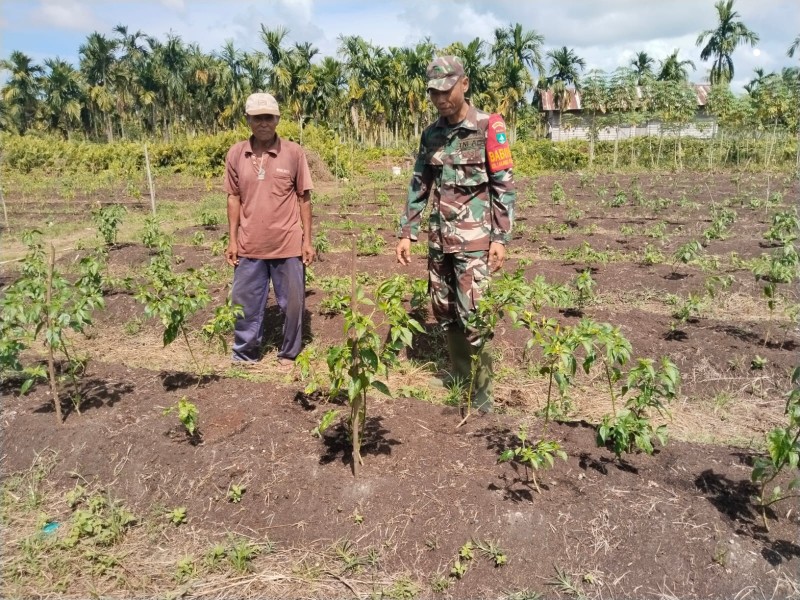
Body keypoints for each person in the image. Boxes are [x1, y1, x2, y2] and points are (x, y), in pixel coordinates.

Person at [396, 56, 516, 413]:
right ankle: (460, 376)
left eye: (446, 90)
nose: (441, 99)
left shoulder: (488, 127)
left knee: (474, 314)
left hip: (475, 242)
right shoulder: (431, 134)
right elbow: (420, 183)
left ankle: (482, 392)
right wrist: (407, 231)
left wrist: (500, 238)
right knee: (445, 310)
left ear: (464, 84)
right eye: (434, 93)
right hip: (440, 241)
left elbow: (504, 185)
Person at [224, 92, 315, 367]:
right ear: (248, 120)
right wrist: (232, 240)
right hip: (249, 243)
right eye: (257, 118)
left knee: (293, 304)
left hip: (287, 243)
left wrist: (307, 241)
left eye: (268, 117)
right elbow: (233, 197)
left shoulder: (293, 153)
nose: (263, 123)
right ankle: (245, 353)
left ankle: (289, 353)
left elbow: (304, 197)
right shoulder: (236, 153)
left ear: (277, 119)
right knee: (245, 303)